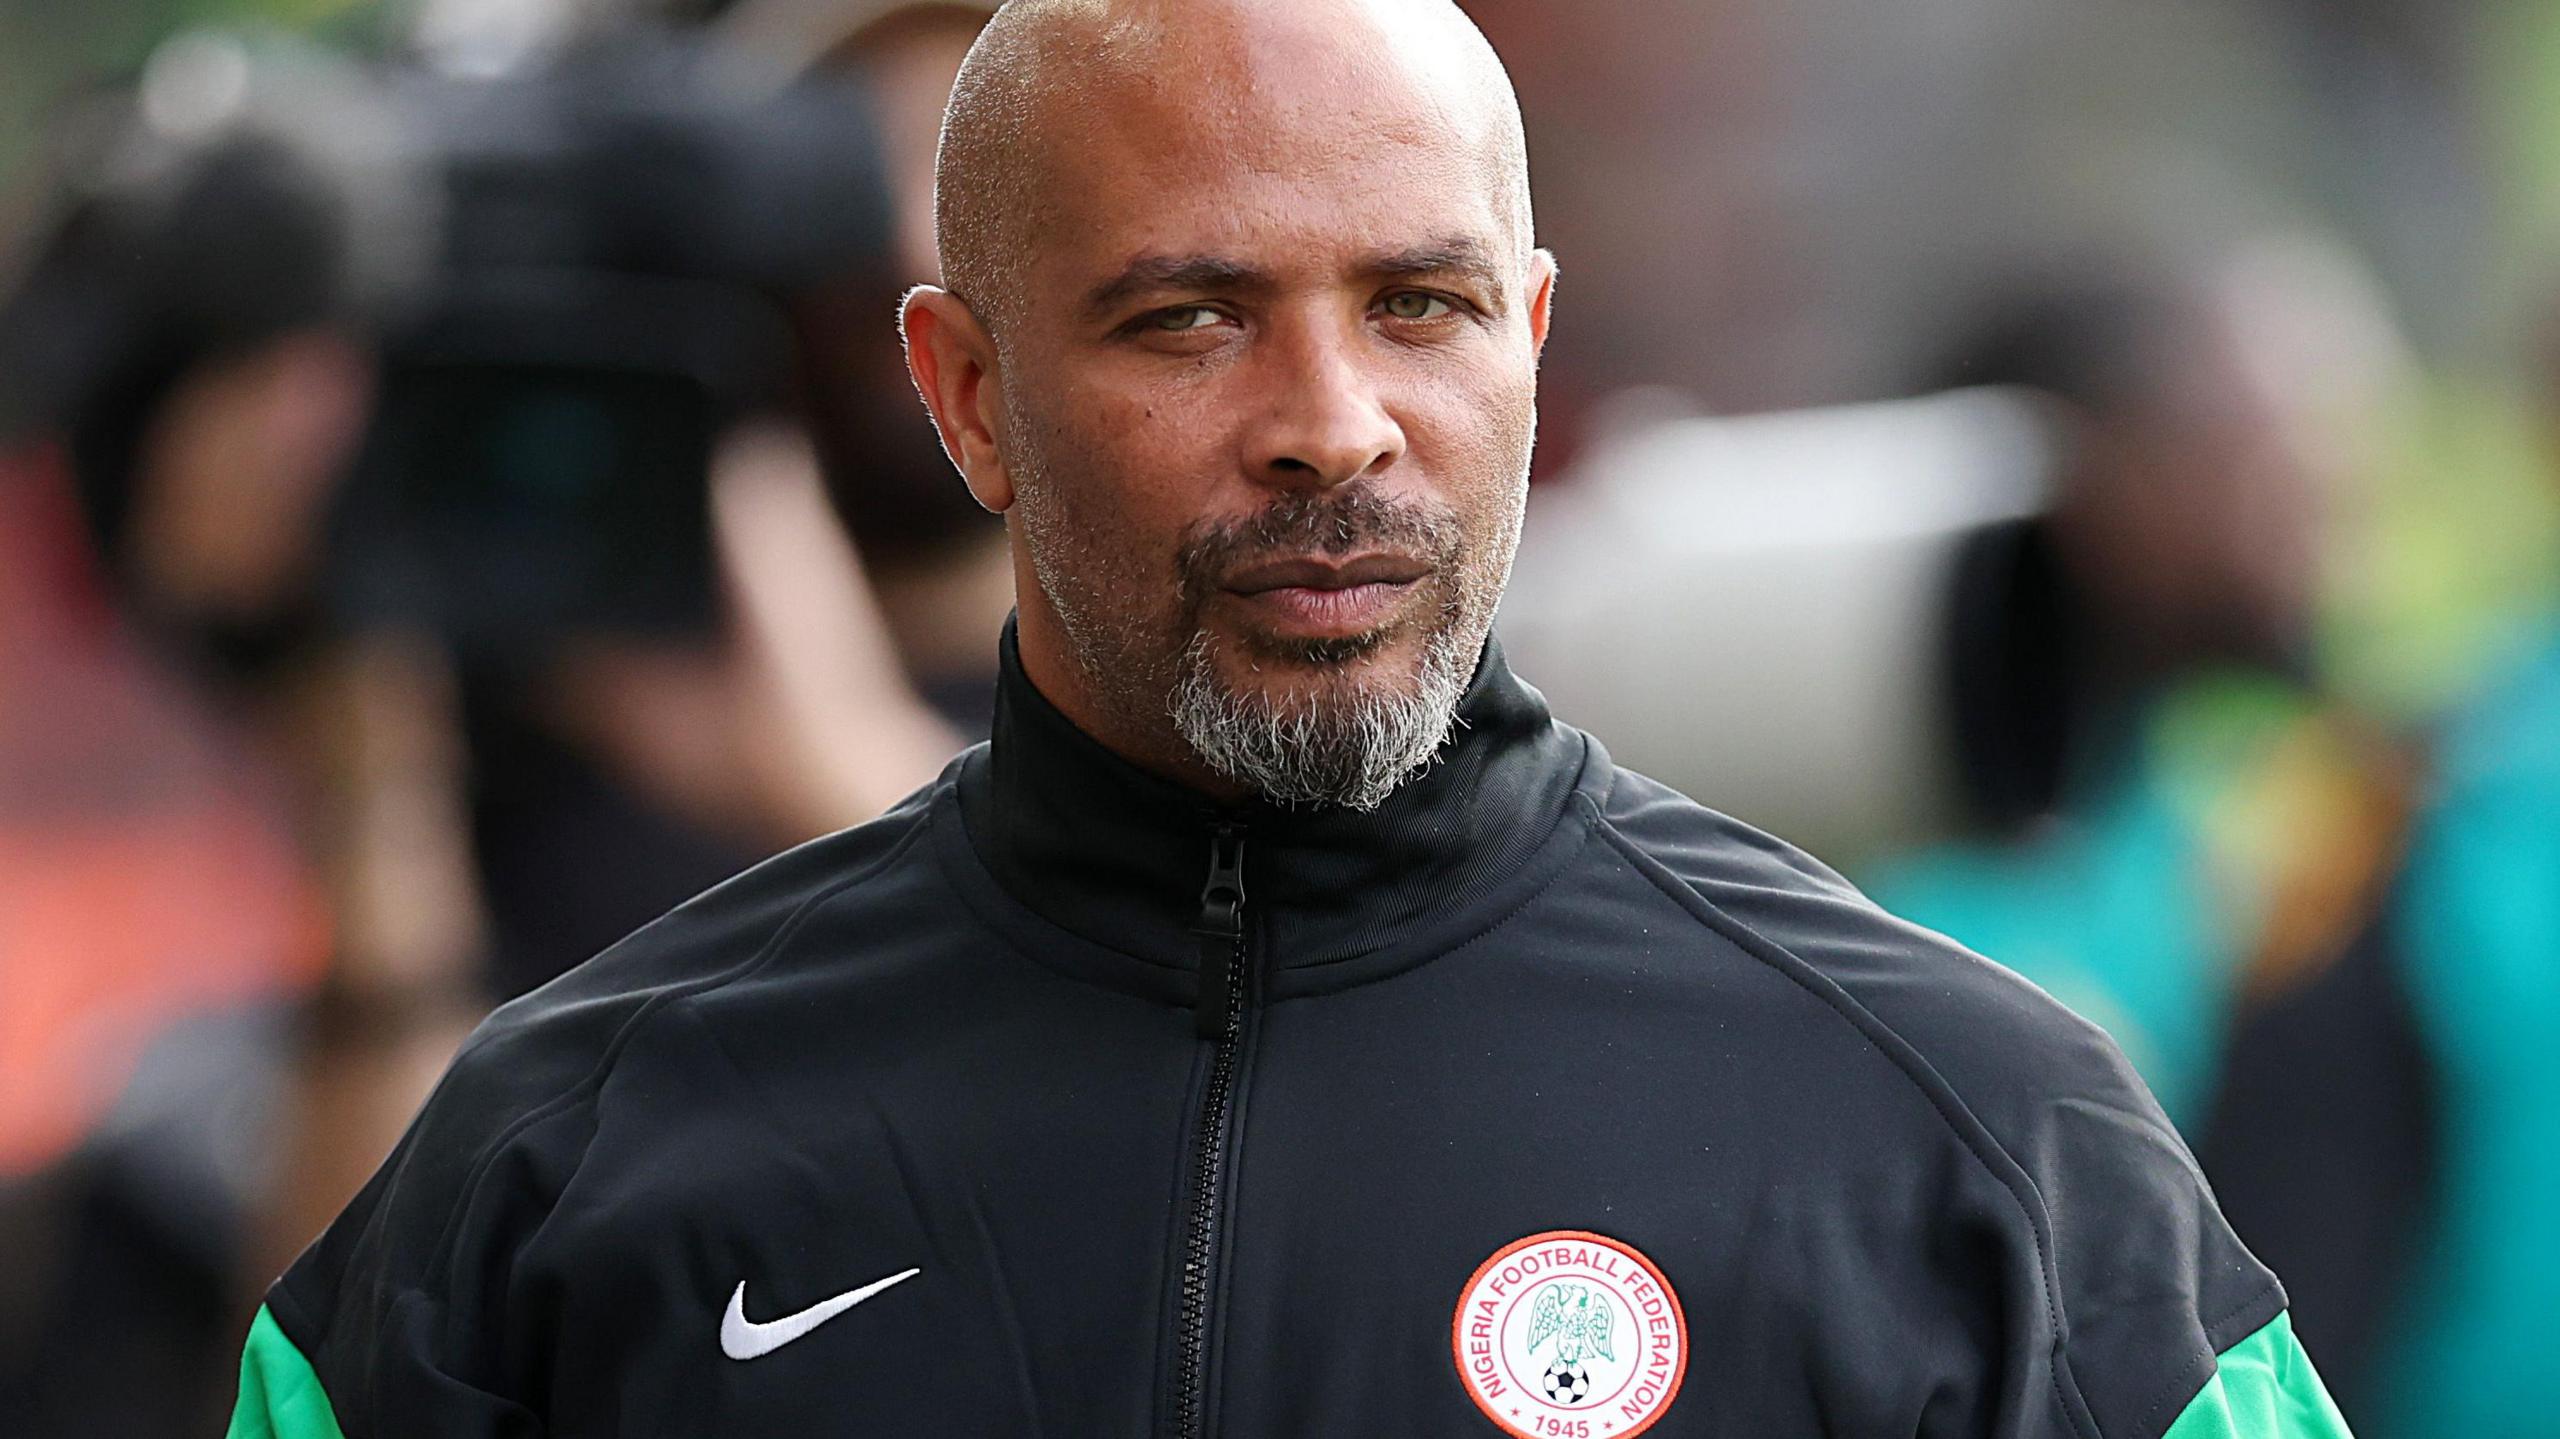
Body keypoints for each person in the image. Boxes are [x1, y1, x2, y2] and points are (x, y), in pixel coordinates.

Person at [228, 2, 2354, 1435]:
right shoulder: (554, 1174)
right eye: (1189, 317)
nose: (1330, 429)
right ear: (963, 391)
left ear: (1527, 339)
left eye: (1417, 306)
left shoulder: (1979, 1149)